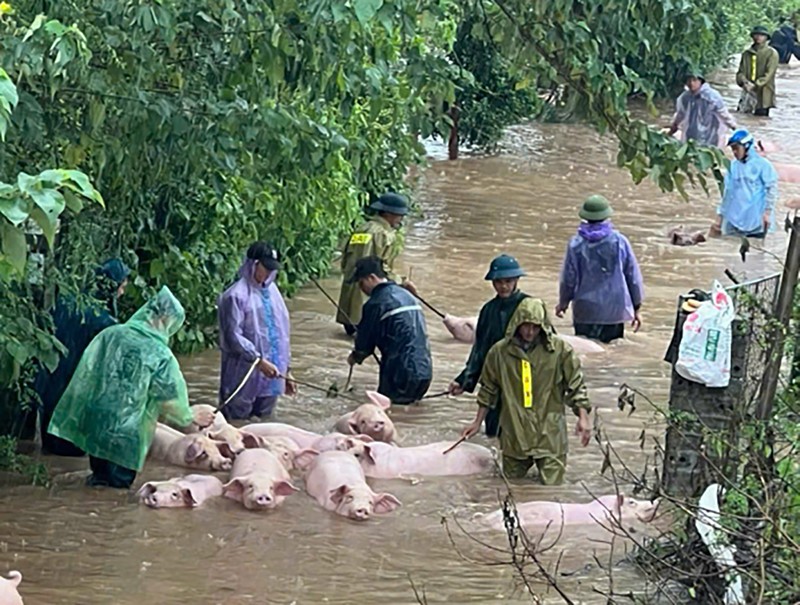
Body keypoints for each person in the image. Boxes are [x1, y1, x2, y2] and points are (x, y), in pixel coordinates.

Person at [47, 286, 215, 489]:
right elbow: (169, 399)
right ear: (166, 320)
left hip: (98, 420)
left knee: (98, 479)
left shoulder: (110, 334)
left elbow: (87, 373)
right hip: (126, 431)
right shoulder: (160, 354)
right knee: (117, 490)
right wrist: (190, 417)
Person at [460, 298, 591, 485]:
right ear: (516, 324)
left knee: (552, 491)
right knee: (511, 488)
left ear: (543, 326)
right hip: (515, 434)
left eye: (535, 327)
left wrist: (583, 417)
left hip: (549, 435)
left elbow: (576, 387)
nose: (530, 331)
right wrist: (477, 422)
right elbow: (488, 390)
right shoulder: (499, 353)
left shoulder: (560, 351)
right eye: (526, 326)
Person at [34, 259, 131, 456]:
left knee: (50, 448)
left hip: (48, 383)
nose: (122, 293)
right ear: (111, 287)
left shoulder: (68, 301)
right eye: (121, 287)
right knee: (71, 452)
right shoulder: (103, 321)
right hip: (75, 390)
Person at [448, 254, 530, 437]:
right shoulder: (488, 310)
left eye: (508, 281)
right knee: (494, 432)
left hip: (525, 379)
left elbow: (550, 348)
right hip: (495, 380)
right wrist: (464, 380)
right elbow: (480, 351)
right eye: (498, 282)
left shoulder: (530, 307)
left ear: (516, 280)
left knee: (524, 432)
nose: (503, 286)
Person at [217, 242, 295, 421]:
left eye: (272, 269)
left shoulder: (273, 293)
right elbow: (233, 337)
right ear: (253, 264)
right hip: (243, 374)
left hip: (272, 374)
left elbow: (282, 336)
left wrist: (287, 371)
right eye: (265, 268)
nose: (268, 273)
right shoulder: (235, 296)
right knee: (235, 424)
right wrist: (258, 360)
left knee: (265, 427)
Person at [556, 195, 644, 344]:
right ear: (607, 216)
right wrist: (637, 307)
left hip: (585, 311)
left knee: (587, 350)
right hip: (614, 311)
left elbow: (568, 278)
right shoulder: (619, 242)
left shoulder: (575, 244)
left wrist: (563, 302)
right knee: (611, 355)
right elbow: (633, 277)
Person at [346, 256, 432, 404]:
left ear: (371, 278)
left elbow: (364, 345)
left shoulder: (375, 304)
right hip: (424, 370)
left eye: (361, 283)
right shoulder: (407, 295)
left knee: (386, 413)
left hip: (400, 374)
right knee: (407, 413)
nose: (361, 289)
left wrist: (355, 357)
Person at [336, 193, 418, 335]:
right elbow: (378, 267)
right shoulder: (382, 234)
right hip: (367, 297)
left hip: (349, 298)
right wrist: (402, 282)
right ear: (388, 213)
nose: (401, 219)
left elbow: (346, 260)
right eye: (399, 215)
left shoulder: (362, 228)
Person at [712, 129, 779, 239]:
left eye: (736, 148)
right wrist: (719, 219)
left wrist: (767, 213)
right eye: (732, 149)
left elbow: (771, 189)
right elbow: (727, 193)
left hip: (756, 221)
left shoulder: (763, 165)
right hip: (735, 220)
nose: (734, 152)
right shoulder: (733, 166)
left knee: (755, 252)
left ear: (747, 146)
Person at [667, 72, 736, 148]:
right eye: (689, 80)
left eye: (694, 80)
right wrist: (671, 131)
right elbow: (680, 115)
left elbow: (724, 115)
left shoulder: (712, 97)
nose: (691, 83)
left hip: (710, 136)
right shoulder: (685, 98)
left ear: (700, 81)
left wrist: (734, 128)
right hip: (691, 135)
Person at [736, 25, 779, 117]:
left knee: (761, 119)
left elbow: (769, 74)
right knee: (742, 117)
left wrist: (755, 85)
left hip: (764, 93)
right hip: (748, 90)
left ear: (766, 38)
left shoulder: (772, 53)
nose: (758, 37)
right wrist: (745, 82)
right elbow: (740, 72)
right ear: (752, 36)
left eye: (762, 35)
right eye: (756, 35)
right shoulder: (746, 54)